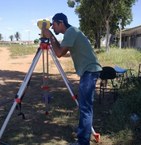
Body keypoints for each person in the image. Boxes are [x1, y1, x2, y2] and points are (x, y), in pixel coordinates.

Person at [42, 13, 102, 145]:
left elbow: (58, 53)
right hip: (90, 71)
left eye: (54, 25)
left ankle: (83, 142)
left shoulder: (71, 32)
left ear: (61, 23)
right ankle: (83, 137)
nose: (53, 28)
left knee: (85, 108)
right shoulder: (71, 32)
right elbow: (60, 50)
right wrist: (51, 36)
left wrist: (50, 36)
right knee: (85, 106)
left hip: (90, 71)